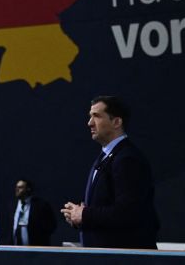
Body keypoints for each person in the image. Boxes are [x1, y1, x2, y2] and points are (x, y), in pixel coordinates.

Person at [61, 96, 160, 249]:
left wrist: (85, 214)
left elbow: (128, 213)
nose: (89, 123)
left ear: (116, 122)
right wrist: (79, 217)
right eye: (90, 116)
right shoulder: (106, 157)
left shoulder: (128, 159)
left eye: (96, 116)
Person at [11, 178, 56, 246]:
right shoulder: (12, 205)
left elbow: (51, 225)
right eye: (16, 187)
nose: (17, 190)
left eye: (20, 187)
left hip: (36, 249)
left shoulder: (41, 205)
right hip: (13, 249)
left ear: (28, 189)